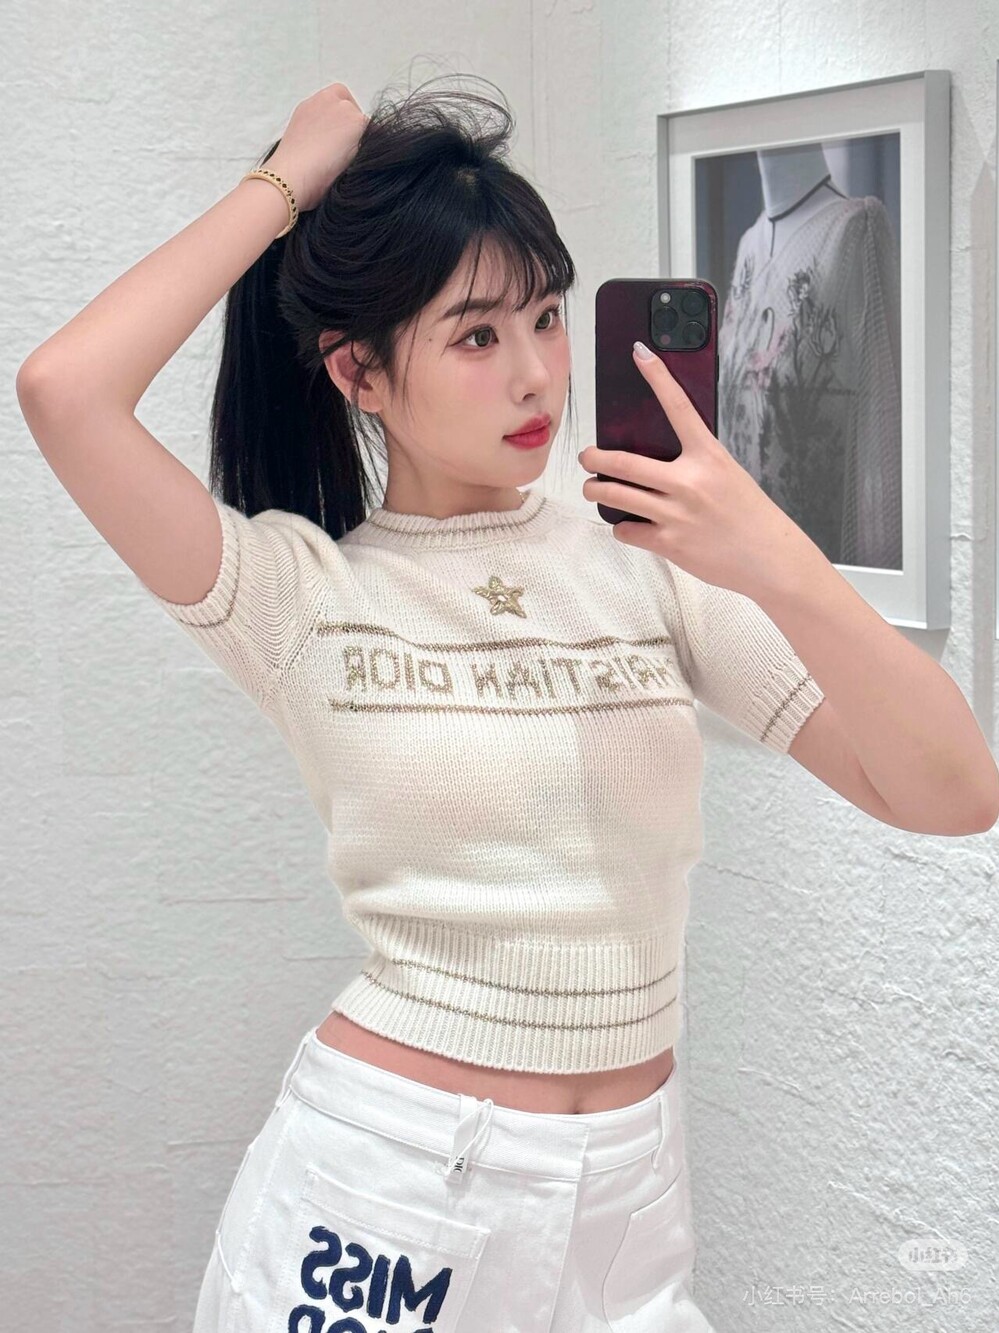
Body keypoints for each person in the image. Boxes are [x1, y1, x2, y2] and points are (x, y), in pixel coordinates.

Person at [17, 72, 830, 1332]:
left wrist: (768, 549)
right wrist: (290, 179)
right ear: (359, 370)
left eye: (546, 316)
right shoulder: (298, 594)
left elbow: (951, 791)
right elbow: (64, 389)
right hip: (392, 1188)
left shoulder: (651, 566)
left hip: (633, 1194)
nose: (537, 376)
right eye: (475, 335)